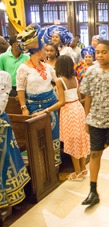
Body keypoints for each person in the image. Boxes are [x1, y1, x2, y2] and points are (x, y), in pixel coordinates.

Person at [79, 40, 109, 206]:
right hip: (96, 119)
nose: (99, 55)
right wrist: (87, 119)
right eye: (97, 52)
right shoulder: (91, 72)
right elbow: (88, 97)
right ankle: (93, 190)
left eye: (103, 52)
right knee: (94, 153)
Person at [16, 23, 62, 168]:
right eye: (44, 49)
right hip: (34, 106)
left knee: (54, 136)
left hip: (51, 104)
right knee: (38, 139)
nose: (46, 52)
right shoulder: (23, 68)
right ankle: (42, 167)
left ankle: (55, 166)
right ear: (37, 51)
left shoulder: (48, 67)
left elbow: (57, 82)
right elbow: (20, 89)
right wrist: (24, 107)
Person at [0, 70, 31, 227]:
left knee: (6, 161)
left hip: (1, 127)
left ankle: (9, 202)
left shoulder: (3, 76)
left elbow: (1, 104)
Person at [55, 55, 90, 181]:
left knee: (72, 141)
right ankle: (83, 168)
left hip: (68, 110)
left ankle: (77, 171)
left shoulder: (60, 81)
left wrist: (47, 110)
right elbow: (80, 97)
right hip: (78, 108)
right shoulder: (75, 79)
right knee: (80, 139)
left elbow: (61, 102)